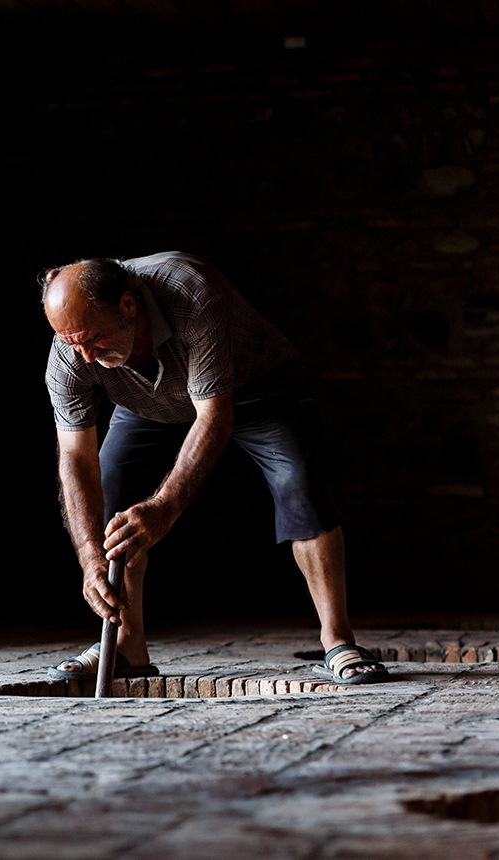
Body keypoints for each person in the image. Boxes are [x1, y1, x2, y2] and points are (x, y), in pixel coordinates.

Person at [42, 253, 389, 685]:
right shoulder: (70, 352)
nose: (86, 358)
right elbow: (75, 459)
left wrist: (164, 507)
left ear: (129, 305)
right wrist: (89, 556)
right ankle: (128, 646)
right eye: (72, 343)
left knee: (298, 486)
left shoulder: (189, 295)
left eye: (93, 340)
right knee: (112, 497)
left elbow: (214, 418)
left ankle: (338, 641)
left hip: (257, 389)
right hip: (152, 405)